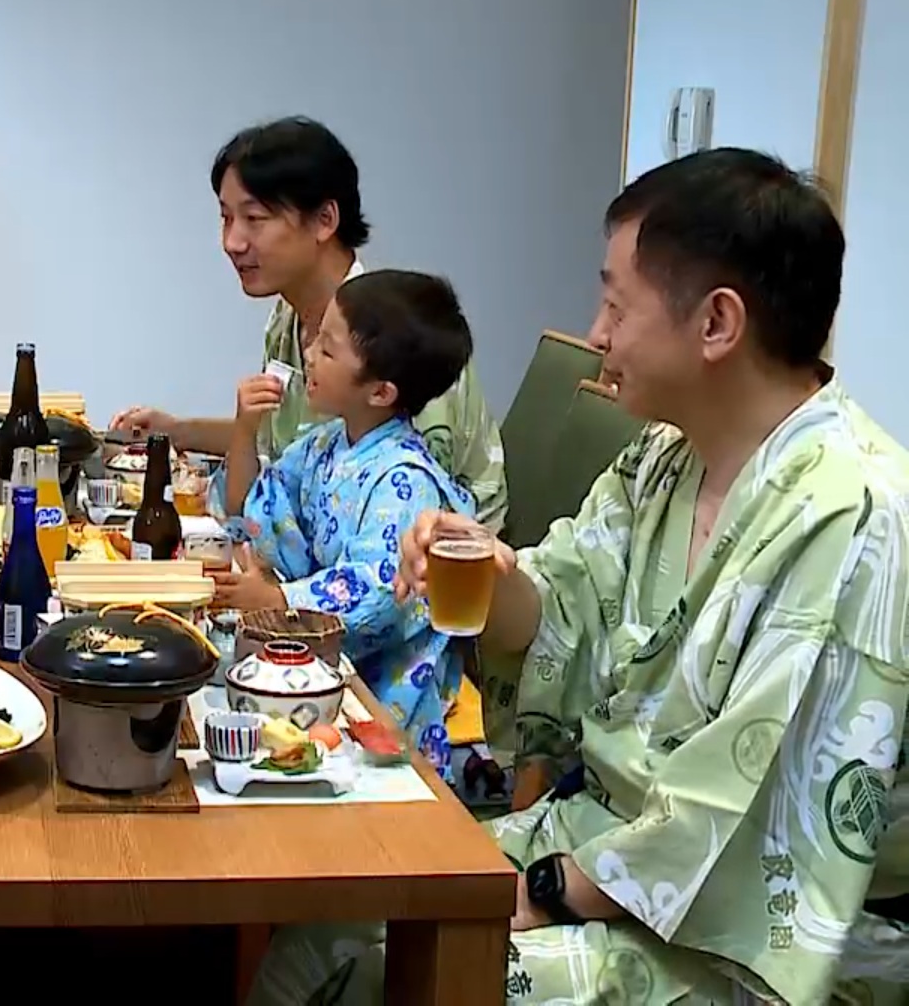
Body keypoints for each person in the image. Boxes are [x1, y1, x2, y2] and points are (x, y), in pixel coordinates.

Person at [254, 149, 909, 1004]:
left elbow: (752, 830)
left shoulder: (852, 513)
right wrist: (489, 572)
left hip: (737, 931)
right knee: (320, 929)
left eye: (614, 302)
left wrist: (539, 892)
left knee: (403, 968)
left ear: (716, 323)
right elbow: (560, 605)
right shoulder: (665, 455)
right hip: (592, 843)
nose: (596, 333)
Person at [112, 117, 506, 529]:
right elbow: (282, 442)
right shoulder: (288, 316)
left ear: (324, 220)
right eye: (226, 218)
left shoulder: (396, 338)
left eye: (255, 219)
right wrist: (178, 432)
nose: (233, 242)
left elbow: (402, 517)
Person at [211, 270, 476, 776]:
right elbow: (251, 508)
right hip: (324, 668)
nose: (309, 353)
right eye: (317, 338)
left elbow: (376, 589)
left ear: (380, 391)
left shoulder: (405, 479)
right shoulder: (326, 444)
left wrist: (278, 600)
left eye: (328, 350)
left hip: (386, 696)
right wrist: (246, 430)